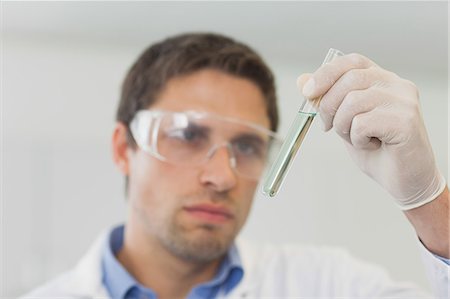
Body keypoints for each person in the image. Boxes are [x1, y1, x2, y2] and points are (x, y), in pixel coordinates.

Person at [23, 33, 449, 298]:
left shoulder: (325, 284)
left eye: (246, 146)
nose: (223, 177)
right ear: (122, 148)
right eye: (188, 136)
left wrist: (426, 200)